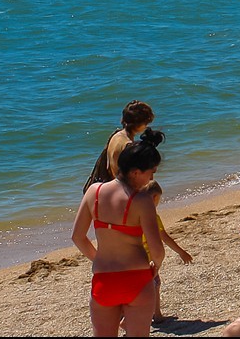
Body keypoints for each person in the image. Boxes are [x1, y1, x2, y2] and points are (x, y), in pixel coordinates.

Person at [72, 129, 167, 337]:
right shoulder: (142, 201)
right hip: (137, 278)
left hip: (104, 280)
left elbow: (78, 237)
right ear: (135, 172)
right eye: (151, 172)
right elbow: (157, 250)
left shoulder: (93, 192)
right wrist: (154, 267)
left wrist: (98, 258)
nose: (151, 177)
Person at [140, 182, 192, 324]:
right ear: (154, 197)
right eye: (158, 200)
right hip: (149, 261)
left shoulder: (135, 216)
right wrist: (181, 252)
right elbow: (165, 238)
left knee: (140, 288)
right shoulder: (153, 217)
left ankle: (153, 314)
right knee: (153, 286)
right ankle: (154, 315)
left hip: (134, 258)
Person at [105, 101, 156, 181]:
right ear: (139, 123)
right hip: (125, 188)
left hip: (115, 183)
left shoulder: (116, 136)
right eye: (146, 123)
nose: (147, 126)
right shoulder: (128, 145)